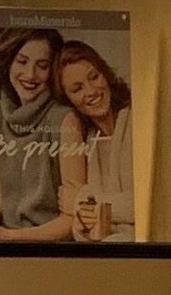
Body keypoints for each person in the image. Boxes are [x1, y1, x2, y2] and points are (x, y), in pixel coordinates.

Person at [0, 29, 69, 239]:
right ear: (8, 61)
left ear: (54, 70)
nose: (30, 74)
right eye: (22, 61)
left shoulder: (63, 118)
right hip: (6, 240)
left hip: (51, 243)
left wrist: (15, 237)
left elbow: (71, 218)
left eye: (42, 66)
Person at [48, 39, 139, 243]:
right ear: (68, 100)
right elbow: (85, 228)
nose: (91, 91)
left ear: (105, 74)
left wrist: (82, 201)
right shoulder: (87, 140)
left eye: (94, 77)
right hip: (107, 250)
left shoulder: (136, 119)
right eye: (77, 89)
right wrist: (83, 225)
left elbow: (145, 204)